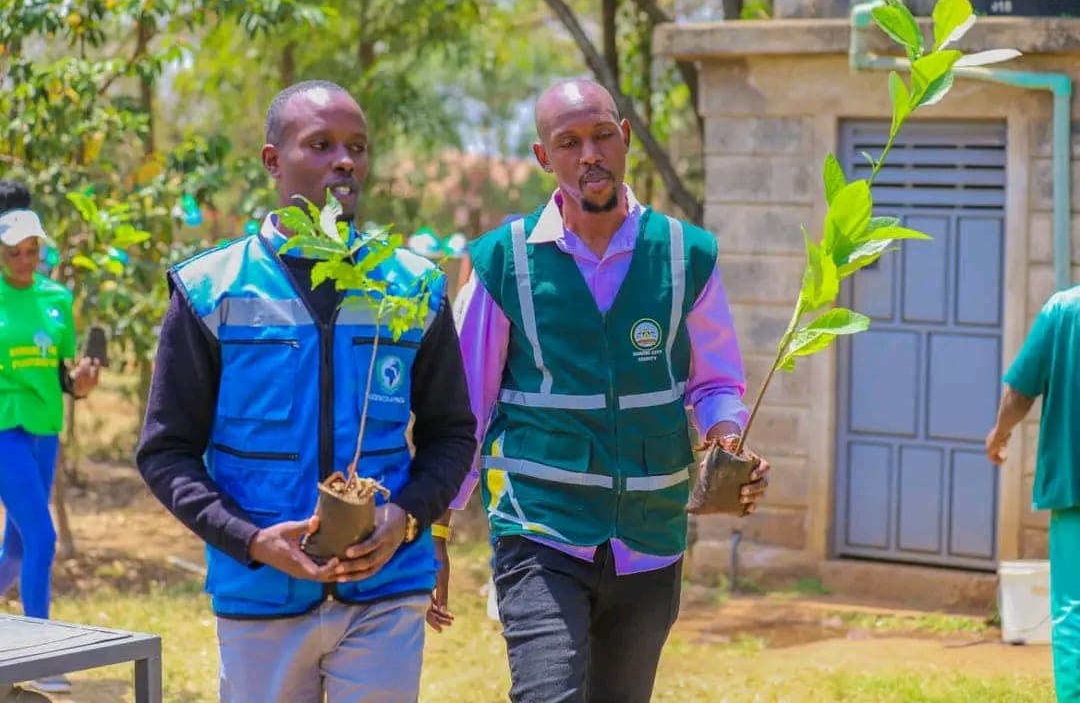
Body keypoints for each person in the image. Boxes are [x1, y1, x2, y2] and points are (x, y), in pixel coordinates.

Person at [135, 80, 476, 703]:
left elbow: (452, 433)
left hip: (387, 591)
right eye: (320, 145)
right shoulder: (211, 289)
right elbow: (165, 452)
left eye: (357, 147)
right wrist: (252, 541)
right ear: (273, 160)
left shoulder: (411, 286)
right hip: (259, 593)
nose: (345, 161)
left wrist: (405, 519)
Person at [433, 79, 770, 702]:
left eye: (602, 135)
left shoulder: (684, 254)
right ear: (544, 158)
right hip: (541, 527)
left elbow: (716, 381)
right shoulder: (501, 263)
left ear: (626, 140)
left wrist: (725, 437)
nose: (589, 154)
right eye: (568, 142)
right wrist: (437, 531)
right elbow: (467, 410)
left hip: (651, 535)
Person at [0, 180, 101, 697]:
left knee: (17, 546)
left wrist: (80, 382)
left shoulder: (57, 298)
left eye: (31, 250)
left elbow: (63, 374)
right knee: (43, 537)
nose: (23, 259)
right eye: (13, 251)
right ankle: (38, 657)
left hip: (45, 432)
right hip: (4, 432)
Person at [986, 286, 1080, 702]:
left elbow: (1020, 392)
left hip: (1073, 486)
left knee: (1074, 610)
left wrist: (999, 434)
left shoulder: (1063, 310)